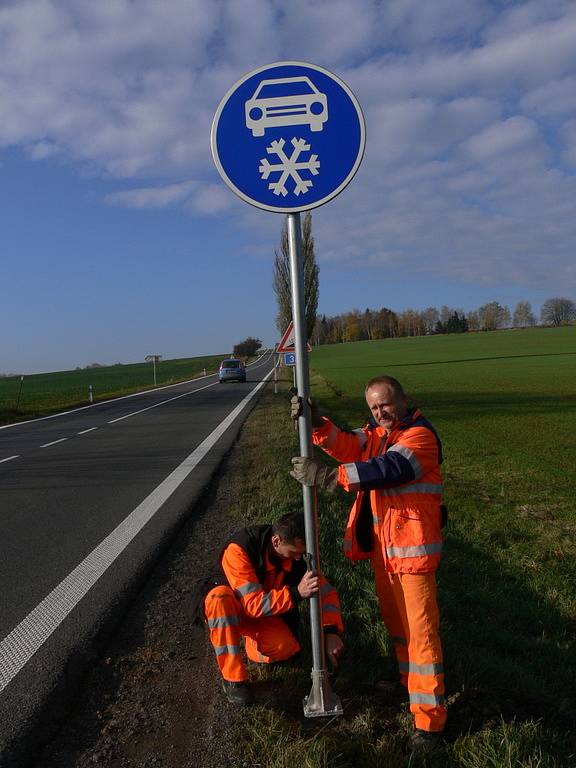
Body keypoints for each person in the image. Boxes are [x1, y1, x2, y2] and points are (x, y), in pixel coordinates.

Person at [290, 376, 446, 752]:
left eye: (386, 404)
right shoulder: (378, 433)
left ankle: (429, 724)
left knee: (421, 639)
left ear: (404, 399)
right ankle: (411, 690)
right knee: (398, 631)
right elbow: (348, 443)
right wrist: (317, 424)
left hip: (414, 558)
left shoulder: (419, 437)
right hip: (387, 556)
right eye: (374, 408)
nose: (380, 412)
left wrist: (329, 478)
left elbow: (388, 470)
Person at [203, 512, 344, 706]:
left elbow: (327, 594)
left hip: (261, 613)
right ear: (276, 541)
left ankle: (251, 640)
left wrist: (330, 631)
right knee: (219, 598)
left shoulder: (297, 559)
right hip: (230, 609)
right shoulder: (240, 548)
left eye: (301, 553)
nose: (297, 559)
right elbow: (252, 604)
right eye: (294, 552)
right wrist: (296, 593)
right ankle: (233, 679)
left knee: (286, 648)